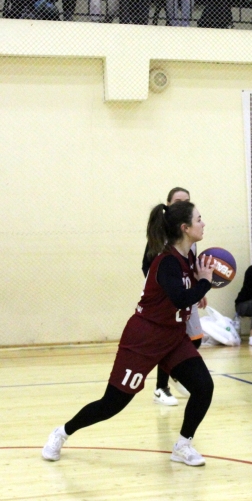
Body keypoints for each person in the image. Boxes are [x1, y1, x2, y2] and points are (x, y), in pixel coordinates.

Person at [42, 201, 215, 465]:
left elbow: (182, 294)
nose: (203, 223)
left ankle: (183, 445)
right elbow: (180, 298)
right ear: (185, 227)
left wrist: (197, 289)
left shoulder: (188, 257)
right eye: (199, 219)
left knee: (203, 387)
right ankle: (61, 433)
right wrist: (203, 284)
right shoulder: (167, 261)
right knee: (112, 403)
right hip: (144, 338)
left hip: (173, 337)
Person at [142, 187, 204, 407]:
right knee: (169, 342)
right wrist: (167, 289)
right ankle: (161, 388)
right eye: (178, 201)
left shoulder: (191, 236)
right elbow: (147, 267)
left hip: (185, 295)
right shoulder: (161, 237)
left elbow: (190, 268)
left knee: (195, 339)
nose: (183, 204)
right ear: (168, 205)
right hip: (168, 299)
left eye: (187, 201)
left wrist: (198, 289)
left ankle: (176, 373)